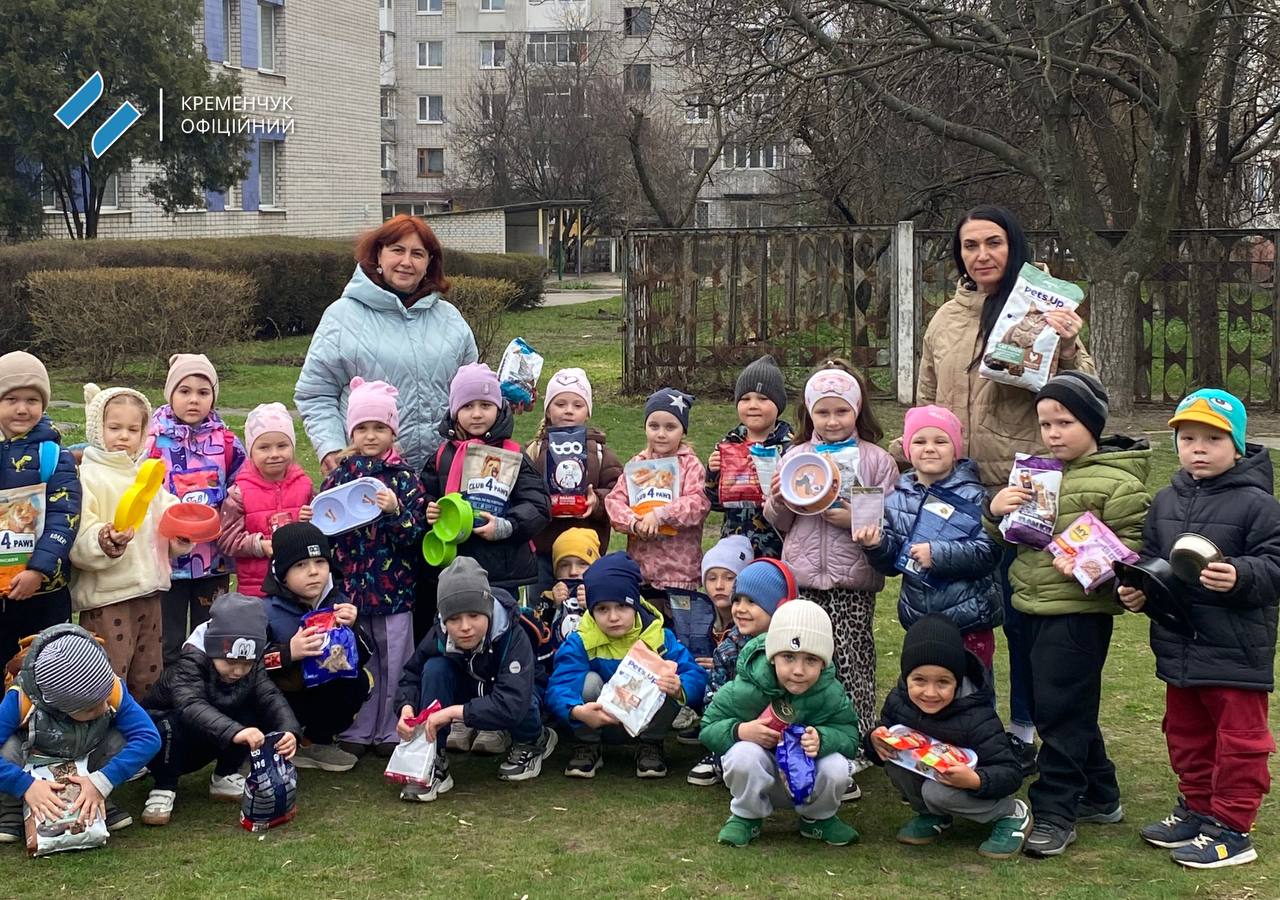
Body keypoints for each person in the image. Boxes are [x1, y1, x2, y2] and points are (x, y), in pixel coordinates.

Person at [914, 206, 1096, 772]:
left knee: (1021, 617)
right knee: (960, 616)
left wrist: (1069, 346)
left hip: (1021, 488)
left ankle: (1024, 727)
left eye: (993, 242)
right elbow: (926, 400)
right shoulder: (945, 319)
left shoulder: (1044, 312)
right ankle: (964, 723)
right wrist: (909, 455)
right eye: (970, 245)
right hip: (957, 491)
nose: (982, 255)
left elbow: (1087, 395)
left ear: (1013, 245)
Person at [986, 371, 1150, 857]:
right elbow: (1007, 538)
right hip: (1028, 605)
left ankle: (1056, 811)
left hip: (1078, 614)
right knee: (1055, 706)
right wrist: (996, 511)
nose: (1054, 433)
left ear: (1092, 424)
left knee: (1061, 712)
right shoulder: (1036, 474)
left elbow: (1133, 557)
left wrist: (1089, 562)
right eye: (1046, 424)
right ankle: (1101, 794)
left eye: (1065, 422)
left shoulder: (1119, 483)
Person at [1118, 389, 1280, 868]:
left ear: (1237, 445)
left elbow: (1275, 565)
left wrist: (1242, 575)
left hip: (1235, 649)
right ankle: (1198, 807)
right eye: (1188, 439)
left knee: (1239, 741)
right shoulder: (1166, 499)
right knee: (1185, 733)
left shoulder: (1259, 505)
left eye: (1213, 439)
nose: (1199, 449)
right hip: (1180, 644)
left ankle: (1232, 829)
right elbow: (1151, 560)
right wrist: (1138, 591)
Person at [763, 360, 897, 788]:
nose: (832, 420)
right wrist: (778, 500)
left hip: (851, 579)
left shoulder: (875, 460)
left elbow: (888, 519)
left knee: (852, 659)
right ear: (809, 413)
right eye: (823, 412)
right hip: (803, 577)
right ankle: (804, 737)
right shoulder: (796, 456)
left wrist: (852, 519)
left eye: (842, 411)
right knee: (805, 662)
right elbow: (780, 523)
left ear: (857, 411)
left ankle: (857, 741)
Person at [295, 214, 477, 475]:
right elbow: (316, 394)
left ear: (429, 262)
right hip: (369, 475)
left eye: (417, 254)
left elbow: (471, 392)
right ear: (378, 254)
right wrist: (331, 448)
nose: (406, 262)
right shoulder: (342, 316)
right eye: (397, 250)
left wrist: (503, 399)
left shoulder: (450, 318)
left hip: (443, 474)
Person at [319, 378, 426, 757]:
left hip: (395, 589)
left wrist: (396, 511)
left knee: (396, 661)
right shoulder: (339, 476)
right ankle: (359, 727)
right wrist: (311, 520)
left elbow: (415, 536)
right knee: (358, 659)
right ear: (351, 431)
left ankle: (393, 727)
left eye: (379, 427)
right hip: (352, 590)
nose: (370, 435)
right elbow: (327, 532)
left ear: (392, 431)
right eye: (362, 427)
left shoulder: (405, 479)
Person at [699, 599, 861, 848]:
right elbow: (708, 727)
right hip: (763, 772)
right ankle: (747, 815)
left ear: (824, 662)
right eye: (788, 657)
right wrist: (740, 731)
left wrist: (823, 738)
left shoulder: (830, 692)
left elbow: (850, 737)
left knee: (837, 765)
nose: (798, 670)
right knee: (742, 754)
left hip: (808, 777)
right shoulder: (745, 687)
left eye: (811, 660)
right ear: (773, 656)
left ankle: (818, 817)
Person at [866, 616, 1029, 859]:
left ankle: (1010, 813)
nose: (930, 692)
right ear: (906, 676)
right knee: (895, 758)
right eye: (919, 680)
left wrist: (975, 780)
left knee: (937, 793)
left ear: (958, 681)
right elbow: (885, 733)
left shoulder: (977, 716)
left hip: (971, 784)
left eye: (943, 682)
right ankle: (932, 814)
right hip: (933, 774)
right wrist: (874, 740)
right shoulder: (899, 700)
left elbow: (1010, 772)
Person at [394, 558, 556, 802]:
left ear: (488, 610)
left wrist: (452, 713)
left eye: (474, 615)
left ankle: (533, 740)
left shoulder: (513, 633)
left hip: (516, 693)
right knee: (434, 668)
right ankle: (433, 758)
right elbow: (412, 675)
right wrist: (406, 707)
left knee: (523, 698)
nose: (465, 627)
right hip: (474, 688)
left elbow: (513, 702)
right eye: (454, 619)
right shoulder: (439, 633)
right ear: (443, 619)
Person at [856, 405, 1002, 668]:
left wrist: (937, 555)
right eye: (920, 441)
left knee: (973, 690)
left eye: (941, 441)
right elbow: (891, 564)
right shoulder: (896, 498)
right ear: (908, 449)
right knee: (925, 687)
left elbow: (988, 552)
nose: (930, 448)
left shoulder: (975, 495)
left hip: (970, 621)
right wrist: (876, 545)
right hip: (920, 619)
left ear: (956, 449)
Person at [140, 593, 300, 827]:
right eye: (231, 662)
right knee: (168, 725)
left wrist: (288, 730)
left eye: (246, 664)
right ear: (213, 649)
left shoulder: (252, 668)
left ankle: (225, 774)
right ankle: (164, 787)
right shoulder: (189, 664)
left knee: (252, 708)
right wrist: (236, 732)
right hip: (165, 740)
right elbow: (190, 706)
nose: (238, 671)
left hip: (212, 733)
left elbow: (270, 696)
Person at [545, 552, 707, 779]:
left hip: (645, 722)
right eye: (602, 609)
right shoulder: (581, 640)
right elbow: (559, 685)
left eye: (622, 606)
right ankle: (588, 744)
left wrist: (680, 688)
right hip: (596, 720)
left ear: (635, 604)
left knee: (669, 677)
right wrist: (576, 711)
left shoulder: (659, 637)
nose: (613, 617)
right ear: (591, 610)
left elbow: (695, 674)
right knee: (588, 681)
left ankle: (650, 744)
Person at [71, 384, 184, 699]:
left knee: (148, 672)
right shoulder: (88, 477)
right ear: (97, 429)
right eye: (114, 428)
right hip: (107, 599)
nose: (124, 436)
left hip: (149, 593)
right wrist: (106, 540)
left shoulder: (145, 476)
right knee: (109, 674)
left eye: (133, 429)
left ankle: (145, 723)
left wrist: (181, 532)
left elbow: (168, 515)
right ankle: (105, 725)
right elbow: (79, 538)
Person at [0, 625, 160, 842]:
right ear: (58, 705)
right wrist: (24, 785)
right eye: (92, 708)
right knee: (8, 747)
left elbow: (149, 737)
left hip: (87, 754)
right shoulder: (20, 699)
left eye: (106, 699)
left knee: (119, 740)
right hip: (33, 757)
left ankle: (97, 797)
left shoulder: (110, 688)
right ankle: (11, 808)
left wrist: (102, 781)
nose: (105, 707)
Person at [145, 353, 247, 665]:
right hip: (167, 561)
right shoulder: (152, 440)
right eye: (184, 391)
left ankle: (204, 689)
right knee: (167, 639)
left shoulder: (226, 441)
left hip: (212, 561)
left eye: (203, 392)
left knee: (209, 635)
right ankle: (167, 691)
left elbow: (243, 484)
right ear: (170, 394)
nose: (193, 400)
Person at [422, 362, 551, 605]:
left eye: (485, 405)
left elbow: (538, 505)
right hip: (452, 568)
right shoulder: (441, 457)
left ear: (499, 407)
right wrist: (428, 509)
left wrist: (507, 526)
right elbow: (423, 497)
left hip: (501, 572)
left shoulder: (512, 455)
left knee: (501, 624)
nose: (477, 414)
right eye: (467, 406)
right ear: (454, 411)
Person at [261, 523, 371, 773]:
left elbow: (365, 656)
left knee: (360, 681)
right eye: (300, 565)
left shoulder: (339, 603)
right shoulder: (264, 611)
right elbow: (246, 668)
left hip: (319, 694)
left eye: (320, 562)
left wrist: (353, 628)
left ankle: (315, 743)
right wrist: (289, 652)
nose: (313, 572)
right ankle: (263, 746)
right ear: (282, 572)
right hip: (280, 698)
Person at [0, 351, 80, 664]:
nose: (22, 408)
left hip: (45, 590)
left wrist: (38, 570)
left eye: (32, 400)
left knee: (47, 667)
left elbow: (65, 517)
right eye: (11, 399)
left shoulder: (55, 456)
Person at [604, 387, 711, 616]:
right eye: (654, 426)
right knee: (647, 629)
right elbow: (614, 502)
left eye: (670, 427)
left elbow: (698, 503)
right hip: (642, 572)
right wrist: (635, 522)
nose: (661, 434)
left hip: (680, 574)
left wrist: (661, 515)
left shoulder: (690, 465)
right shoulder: (637, 464)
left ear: (683, 430)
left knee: (680, 633)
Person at [688, 558, 794, 788]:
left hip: (795, 733)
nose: (740, 608)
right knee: (740, 756)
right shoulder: (727, 650)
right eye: (737, 600)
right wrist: (740, 730)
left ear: (780, 606)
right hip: (745, 733)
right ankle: (723, 759)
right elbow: (712, 707)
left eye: (752, 601)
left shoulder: (799, 648)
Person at [525, 368, 623, 596]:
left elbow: (620, 493)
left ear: (587, 412)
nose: (568, 410)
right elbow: (522, 492)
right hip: (543, 554)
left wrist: (597, 501)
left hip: (586, 556)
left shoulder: (600, 453)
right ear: (548, 410)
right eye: (560, 404)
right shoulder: (534, 451)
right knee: (542, 610)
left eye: (577, 405)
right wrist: (539, 503)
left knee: (587, 609)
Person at [218, 402, 315, 598]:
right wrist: (259, 545)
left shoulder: (305, 485)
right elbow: (226, 540)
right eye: (264, 447)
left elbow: (319, 534)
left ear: (292, 447)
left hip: (298, 587)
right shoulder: (239, 492)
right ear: (250, 451)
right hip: (256, 589)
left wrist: (309, 521)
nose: (274, 454)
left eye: (282, 446)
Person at [705, 355, 794, 558]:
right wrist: (713, 473)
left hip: (777, 546)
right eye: (745, 399)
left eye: (763, 399)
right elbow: (715, 503)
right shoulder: (728, 443)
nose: (753, 405)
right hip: (733, 545)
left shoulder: (791, 448)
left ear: (778, 404)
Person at [536, 527, 601, 654]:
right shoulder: (547, 597)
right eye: (564, 565)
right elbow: (537, 631)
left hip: (593, 658)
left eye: (582, 564)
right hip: (555, 659)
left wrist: (593, 606)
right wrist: (554, 606)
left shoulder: (604, 596)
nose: (573, 572)